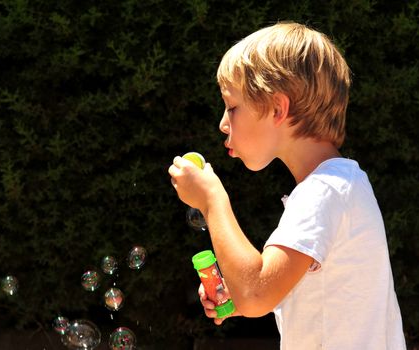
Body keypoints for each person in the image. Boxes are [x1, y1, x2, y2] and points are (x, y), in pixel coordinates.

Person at [168, 21, 406, 349]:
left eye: (232, 106)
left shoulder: (325, 190)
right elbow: (292, 295)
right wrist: (234, 294)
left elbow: (256, 292)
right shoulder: (339, 185)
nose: (223, 123)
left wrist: (212, 200)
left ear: (279, 108)